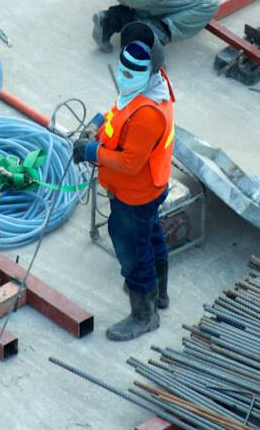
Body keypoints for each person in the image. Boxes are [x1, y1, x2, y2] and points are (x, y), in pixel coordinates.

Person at [73, 22, 175, 341]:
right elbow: (119, 115)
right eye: (123, 68)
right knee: (151, 236)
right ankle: (158, 294)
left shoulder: (148, 114)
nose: (124, 75)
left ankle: (145, 316)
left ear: (150, 70)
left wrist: (91, 151)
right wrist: (98, 125)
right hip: (149, 188)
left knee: (133, 252)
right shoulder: (148, 87)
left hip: (135, 195)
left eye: (132, 71)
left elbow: (130, 163)